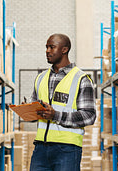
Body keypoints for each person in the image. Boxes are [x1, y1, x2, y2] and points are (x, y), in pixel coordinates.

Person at [28, 33, 96, 171]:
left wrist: (55, 115)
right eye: (46, 47)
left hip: (67, 149)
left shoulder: (81, 79)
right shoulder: (41, 78)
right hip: (40, 148)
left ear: (64, 50)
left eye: (52, 47)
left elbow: (89, 116)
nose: (47, 51)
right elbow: (33, 110)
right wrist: (28, 110)